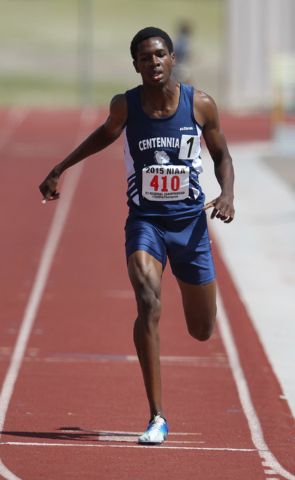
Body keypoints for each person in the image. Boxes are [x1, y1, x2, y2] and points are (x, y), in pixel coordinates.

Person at [39, 26, 235, 445]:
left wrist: (227, 195)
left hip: (191, 228)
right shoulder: (126, 106)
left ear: (172, 58)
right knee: (147, 298)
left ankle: (192, 313)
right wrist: (60, 167)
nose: (154, 62)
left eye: (160, 54)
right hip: (146, 223)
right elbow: (103, 135)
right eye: (145, 58)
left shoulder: (200, 105)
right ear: (136, 65)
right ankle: (157, 416)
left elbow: (221, 155)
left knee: (202, 330)